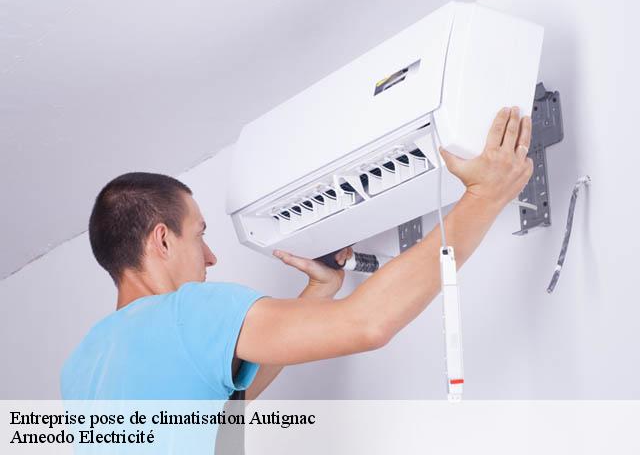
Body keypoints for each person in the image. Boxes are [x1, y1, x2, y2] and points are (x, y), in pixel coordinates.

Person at [61, 107, 533, 401]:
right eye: (199, 235)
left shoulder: (82, 369)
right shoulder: (187, 311)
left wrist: (318, 292)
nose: (210, 257)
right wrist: (483, 198)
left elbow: (223, 415)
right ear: (162, 241)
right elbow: (367, 324)